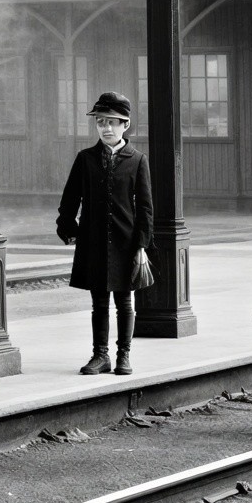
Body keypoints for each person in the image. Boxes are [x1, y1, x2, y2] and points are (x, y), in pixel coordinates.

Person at [56, 91, 153, 377]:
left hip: (126, 242)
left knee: (124, 301)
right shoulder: (85, 159)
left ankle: (124, 355)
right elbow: (69, 198)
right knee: (98, 302)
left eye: (112, 122)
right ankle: (101, 355)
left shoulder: (137, 160)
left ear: (126, 125)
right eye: (101, 123)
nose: (106, 128)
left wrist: (141, 245)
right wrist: (68, 228)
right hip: (93, 240)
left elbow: (146, 207)